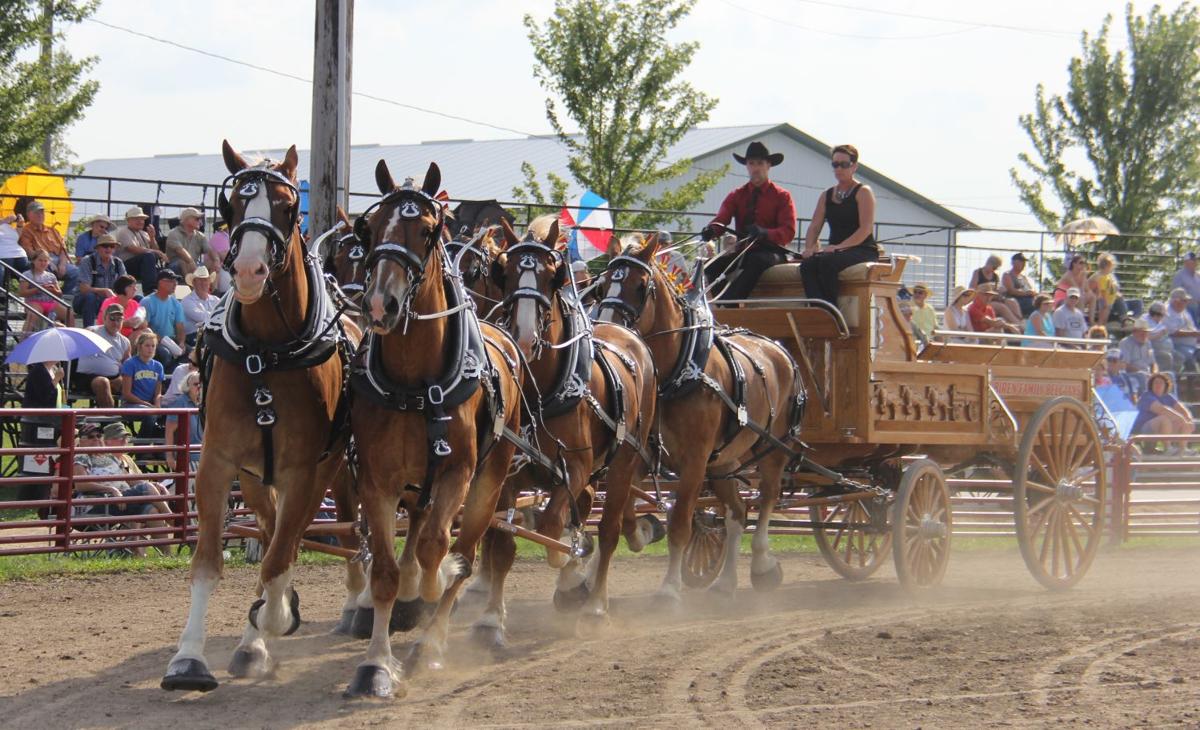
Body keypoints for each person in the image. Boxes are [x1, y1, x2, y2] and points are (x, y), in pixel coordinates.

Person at [701, 141, 797, 301]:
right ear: (747, 166)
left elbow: (788, 231)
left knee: (756, 260)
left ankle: (731, 302)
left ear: (768, 166)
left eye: (760, 163)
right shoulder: (737, 195)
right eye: (751, 163)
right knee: (710, 266)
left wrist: (765, 233)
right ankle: (721, 301)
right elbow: (722, 218)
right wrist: (712, 230)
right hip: (744, 252)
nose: (755, 168)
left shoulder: (782, 196)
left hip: (772, 252)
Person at [73, 421, 173, 554]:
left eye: (98, 435)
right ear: (82, 441)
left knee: (151, 510)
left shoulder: (110, 457)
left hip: (119, 501)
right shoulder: (81, 457)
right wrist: (111, 490)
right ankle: (175, 521)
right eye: (91, 437)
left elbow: (131, 480)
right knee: (146, 489)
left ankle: (163, 556)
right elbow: (81, 485)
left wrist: (155, 485)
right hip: (98, 503)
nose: (96, 439)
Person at [799, 144, 879, 306]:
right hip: (835, 251)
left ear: (854, 166)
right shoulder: (826, 195)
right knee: (807, 265)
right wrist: (809, 248)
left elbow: (865, 228)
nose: (839, 168)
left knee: (828, 262)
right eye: (835, 164)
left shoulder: (863, 192)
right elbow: (814, 226)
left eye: (844, 164)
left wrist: (839, 247)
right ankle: (818, 310)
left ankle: (832, 311)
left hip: (862, 249)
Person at [74, 303, 131, 407]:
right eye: (112, 318)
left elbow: (128, 366)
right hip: (88, 377)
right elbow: (73, 340)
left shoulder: (125, 342)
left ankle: (143, 412)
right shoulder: (92, 331)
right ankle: (110, 418)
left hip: (113, 377)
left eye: (119, 319)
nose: (116, 322)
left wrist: (124, 378)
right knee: (103, 383)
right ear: (105, 318)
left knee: (133, 382)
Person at [17, 200, 79, 295]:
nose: (40, 215)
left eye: (42, 212)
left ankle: (65, 297)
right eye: (37, 212)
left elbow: (63, 250)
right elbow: (30, 252)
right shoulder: (26, 231)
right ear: (29, 215)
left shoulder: (53, 230)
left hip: (58, 259)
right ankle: (50, 298)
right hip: (41, 260)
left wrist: (62, 264)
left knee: (76, 272)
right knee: (44, 270)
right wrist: (47, 261)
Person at [73, 233, 128, 327]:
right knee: (90, 297)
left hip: (108, 302)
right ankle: (89, 331)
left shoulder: (118, 263)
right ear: (97, 248)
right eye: (105, 246)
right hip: (83, 301)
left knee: (138, 298)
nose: (108, 249)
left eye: (111, 246)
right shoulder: (88, 261)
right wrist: (105, 291)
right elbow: (84, 288)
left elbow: (125, 286)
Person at [1131, 373, 1194, 452]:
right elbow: (1162, 410)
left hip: (1163, 428)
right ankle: (1168, 449)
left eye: (1161, 383)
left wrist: (1188, 419)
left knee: (1187, 422)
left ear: (1166, 385)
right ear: (1151, 385)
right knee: (1164, 419)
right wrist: (1181, 419)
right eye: (1156, 382)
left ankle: (1183, 449)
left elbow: (1182, 409)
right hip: (1144, 429)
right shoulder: (1146, 396)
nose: (1158, 385)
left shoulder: (1168, 397)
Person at [121, 331, 165, 437]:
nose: (150, 349)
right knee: (150, 414)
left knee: (172, 414)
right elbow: (127, 394)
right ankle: (141, 449)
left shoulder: (158, 366)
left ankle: (160, 451)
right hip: (130, 405)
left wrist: (158, 404)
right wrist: (146, 404)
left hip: (150, 405)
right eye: (147, 346)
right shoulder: (130, 364)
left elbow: (158, 393)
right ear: (139, 347)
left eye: (153, 346)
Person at [115, 205, 166, 294]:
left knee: (165, 272)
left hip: (142, 266)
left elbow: (156, 253)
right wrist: (156, 252)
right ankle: (150, 290)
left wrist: (152, 237)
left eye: (142, 219)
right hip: (126, 266)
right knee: (148, 256)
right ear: (128, 220)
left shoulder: (144, 234)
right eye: (136, 219)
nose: (140, 221)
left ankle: (162, 293)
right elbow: (133, 249)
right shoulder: (124, 232)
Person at [141, 269, 187, 367]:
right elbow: (145, 328)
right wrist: (164, 341)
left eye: (176, 281)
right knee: (165, 354)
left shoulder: (176, 303)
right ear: (161, 283)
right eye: (171, 281)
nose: (175, 284)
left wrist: (182, 343)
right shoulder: (147, 302)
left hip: (172, 340)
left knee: (191, 354)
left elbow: (180, 328)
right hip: (153, 341)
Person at [18, 250, 73, 326]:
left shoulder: (51, 276)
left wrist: (53, 290)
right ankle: (25, 337)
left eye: (45, 261)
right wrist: (39, 288)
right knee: (33, 315)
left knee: (69, 313)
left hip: (50, 303)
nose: (43, 263)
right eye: (40, 260)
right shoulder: (27, 274)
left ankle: (71, 335)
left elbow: (59, 294)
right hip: (33, 302)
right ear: (34, 261)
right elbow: (22, 293)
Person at [164, 370, 203, 474]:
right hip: (189, 457)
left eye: (201, 384)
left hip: (205, 455)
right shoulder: (180, 403)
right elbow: (169, 431)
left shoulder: (205, 403)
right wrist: (169, 456)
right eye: (195, 384)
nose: (199, 387)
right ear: (188, 386)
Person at [969, 255, 1021, 324]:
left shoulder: (995, 276)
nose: (995, 270)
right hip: (982, 301)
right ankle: (1019, 325)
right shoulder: (978, 273)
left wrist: (1001, 291)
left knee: (1012, 301)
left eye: (996, 268)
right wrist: (987, 286)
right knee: (1002, 307)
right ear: (989, 264)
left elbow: (996, 293)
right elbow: (972, 289)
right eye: (994, 267)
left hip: (993, 298)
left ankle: (1020, 320)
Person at [165, 208, 216, 276]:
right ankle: (190, 285)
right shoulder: (174, 233)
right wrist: (191, 262)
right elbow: (180, 251)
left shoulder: (200, 236)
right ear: (187, 219)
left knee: (213, 263)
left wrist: (216, 260)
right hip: (176, 266)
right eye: (197, 219)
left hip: (194, 265)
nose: (200, 221)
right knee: (183, 262)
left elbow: (209, 250)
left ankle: (213, 287)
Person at [97, 274, 148, 339]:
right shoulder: (109, 302)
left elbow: (144, 325)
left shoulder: (134, 304)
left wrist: (140, 322)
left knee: (147, 332)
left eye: (135, 287)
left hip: (128, 337)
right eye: (130, 286)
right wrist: (126, 323)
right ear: (122, 287)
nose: (135, 289)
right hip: (109, 336)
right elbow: (105, 324)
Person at [181, 266, 219, 346]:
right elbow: (201, 317)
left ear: (209, 282)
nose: (203, 283)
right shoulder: (187, 301)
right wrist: (218, 316)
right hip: (193, 336)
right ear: (194, 283)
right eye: (200, 280)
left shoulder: (216, 300)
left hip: (212, 334)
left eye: (205, 280)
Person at [1164, 287, 1199, 372]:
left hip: (1192, 344)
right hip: (1175, 345)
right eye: (1185, 301)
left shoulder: (1184, 312)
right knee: (1189, 356)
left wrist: (1197, 336)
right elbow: (1172, 332)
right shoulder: (1166, 312)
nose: (1187, 303)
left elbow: (1192, 328)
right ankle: (1191, 382)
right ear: (1176, 301)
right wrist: (1193, 334)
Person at [1119, 319, 1158, 395]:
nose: (1144, 335)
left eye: (1146, 332)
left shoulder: (1148, 343)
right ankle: (1144, 400)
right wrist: (1143, 373)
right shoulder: (1125, 343)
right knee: (1142, 376)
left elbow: (1153, 363)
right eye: (1142, 332)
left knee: (1168, 375)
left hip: (1147, 373)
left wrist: (1155, 373)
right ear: (1134, 332)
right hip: (1131, 374)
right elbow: (1125, 365)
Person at [1089, 252, 1127, 324]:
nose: (1113, 268)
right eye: (1111, 266)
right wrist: (1105, 301)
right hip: (1103, 301)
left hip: (1111, 300)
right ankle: (1123, 319)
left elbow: (1112, 288)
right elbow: (1097, 291)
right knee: (1103, 318)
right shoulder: (1098, 277)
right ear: (1106, 266)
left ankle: (1124, 319)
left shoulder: (1109, 276)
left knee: (1136, 303)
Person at [1001, 252, 1038, 317]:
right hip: (1017, 300)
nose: (1023, 264)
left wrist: (1032, 292)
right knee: (1033, 304)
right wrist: (1026, 293)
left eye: (1024, 262)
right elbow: (1011, 291)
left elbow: (1031, 288)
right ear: (1013, 262)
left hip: (1029, 299)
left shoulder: (1023, 277)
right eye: (1021, 262)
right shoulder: (1007, 275)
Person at [1170, 251, 1200, 323]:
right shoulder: (1179, 275)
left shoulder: (1197, 275)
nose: (1195, 263)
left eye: (1195, 260)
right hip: (1186, 307)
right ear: (1186, 263)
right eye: (1192, 261)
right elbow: (1175, 293)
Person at [0, 213, 30, 279]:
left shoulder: (7, 225)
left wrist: (20, 225)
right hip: (4, 256)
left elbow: (16, 237)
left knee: (36, 267)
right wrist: (4, 220)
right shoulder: (4, 221)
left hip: (20, 255)